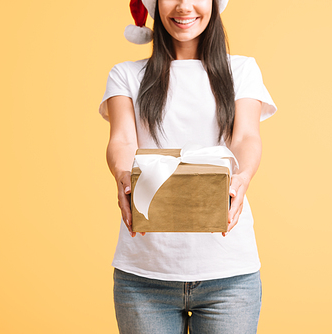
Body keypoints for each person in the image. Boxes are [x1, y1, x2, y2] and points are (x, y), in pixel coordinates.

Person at [98, 0, 277, 332]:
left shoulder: (242, 70)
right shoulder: (126, 75)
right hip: (144, 276)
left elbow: (246, 137)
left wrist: (243, 176)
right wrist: (124, 176)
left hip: (229, 275)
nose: (183, 6)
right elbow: (122, 141)